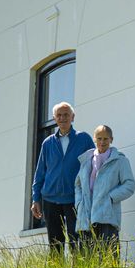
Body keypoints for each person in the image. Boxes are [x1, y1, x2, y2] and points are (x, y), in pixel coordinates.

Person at [30, 101, 94, 259]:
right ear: (54, 118)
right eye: (59, 115)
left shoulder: (84, 139)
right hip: (50, 199)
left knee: (77, 242)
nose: (62, 118)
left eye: (66, 115)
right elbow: (40, 173)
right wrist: (35, 198)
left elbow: (94, 166)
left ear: (73, 117)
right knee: (55, 245)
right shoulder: (48, 143)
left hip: (75, 198)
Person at [75, 124, 135, 260]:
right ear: (94, 139)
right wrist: (79, 203)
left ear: (111, 140)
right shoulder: (86, 160)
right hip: (85, 217)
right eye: (99, 138)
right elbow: (78, 185)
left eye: (105, 139)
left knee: (108, 258)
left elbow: (130, 185)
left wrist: (111, 197)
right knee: (86, 259)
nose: (102, 142)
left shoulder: (120, 161)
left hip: (107, 216)